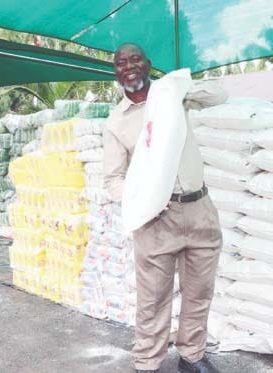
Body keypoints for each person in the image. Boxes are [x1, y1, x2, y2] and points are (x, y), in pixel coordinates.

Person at [103, 43, 227, 373]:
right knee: (153, 300)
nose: (128, 67)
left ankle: (192, 355)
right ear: (115, 72)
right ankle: (147, 363)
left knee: (199, 292)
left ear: (148, 64)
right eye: (120, 63)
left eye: (135, 60)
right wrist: (141, 204)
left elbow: (219, 96)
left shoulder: (171, 97)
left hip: (199, 209)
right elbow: (112, 179)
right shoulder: (116, 123)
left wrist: (179, 86)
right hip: (155, 220)